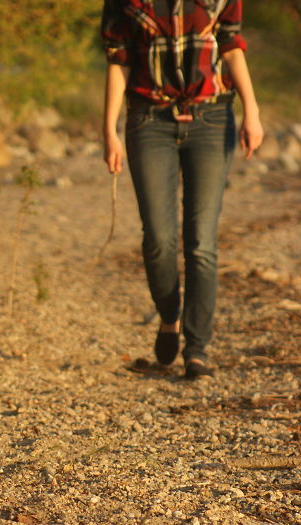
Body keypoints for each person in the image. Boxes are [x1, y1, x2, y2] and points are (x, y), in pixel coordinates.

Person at [100, 0, 264, 379]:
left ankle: (197, 349)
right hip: (149, 119)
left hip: (212, 118)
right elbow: (118, 60)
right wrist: (109, 129)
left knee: (202, 242)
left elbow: (231, 45)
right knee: (159, 238)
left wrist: (252, 112)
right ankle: (169, 315)